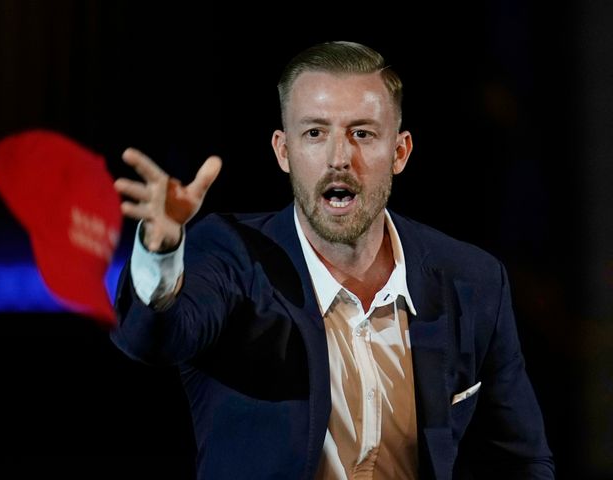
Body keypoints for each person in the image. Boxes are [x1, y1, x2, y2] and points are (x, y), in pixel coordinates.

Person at [110, 41, 555, 479]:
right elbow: (153, 339)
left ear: (400, 152)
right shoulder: (233, 254)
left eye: (361, 133)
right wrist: (162, 251)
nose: (339, 159)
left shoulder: (472, 279)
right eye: (315, 133)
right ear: (283, 152)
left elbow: (517, 458)